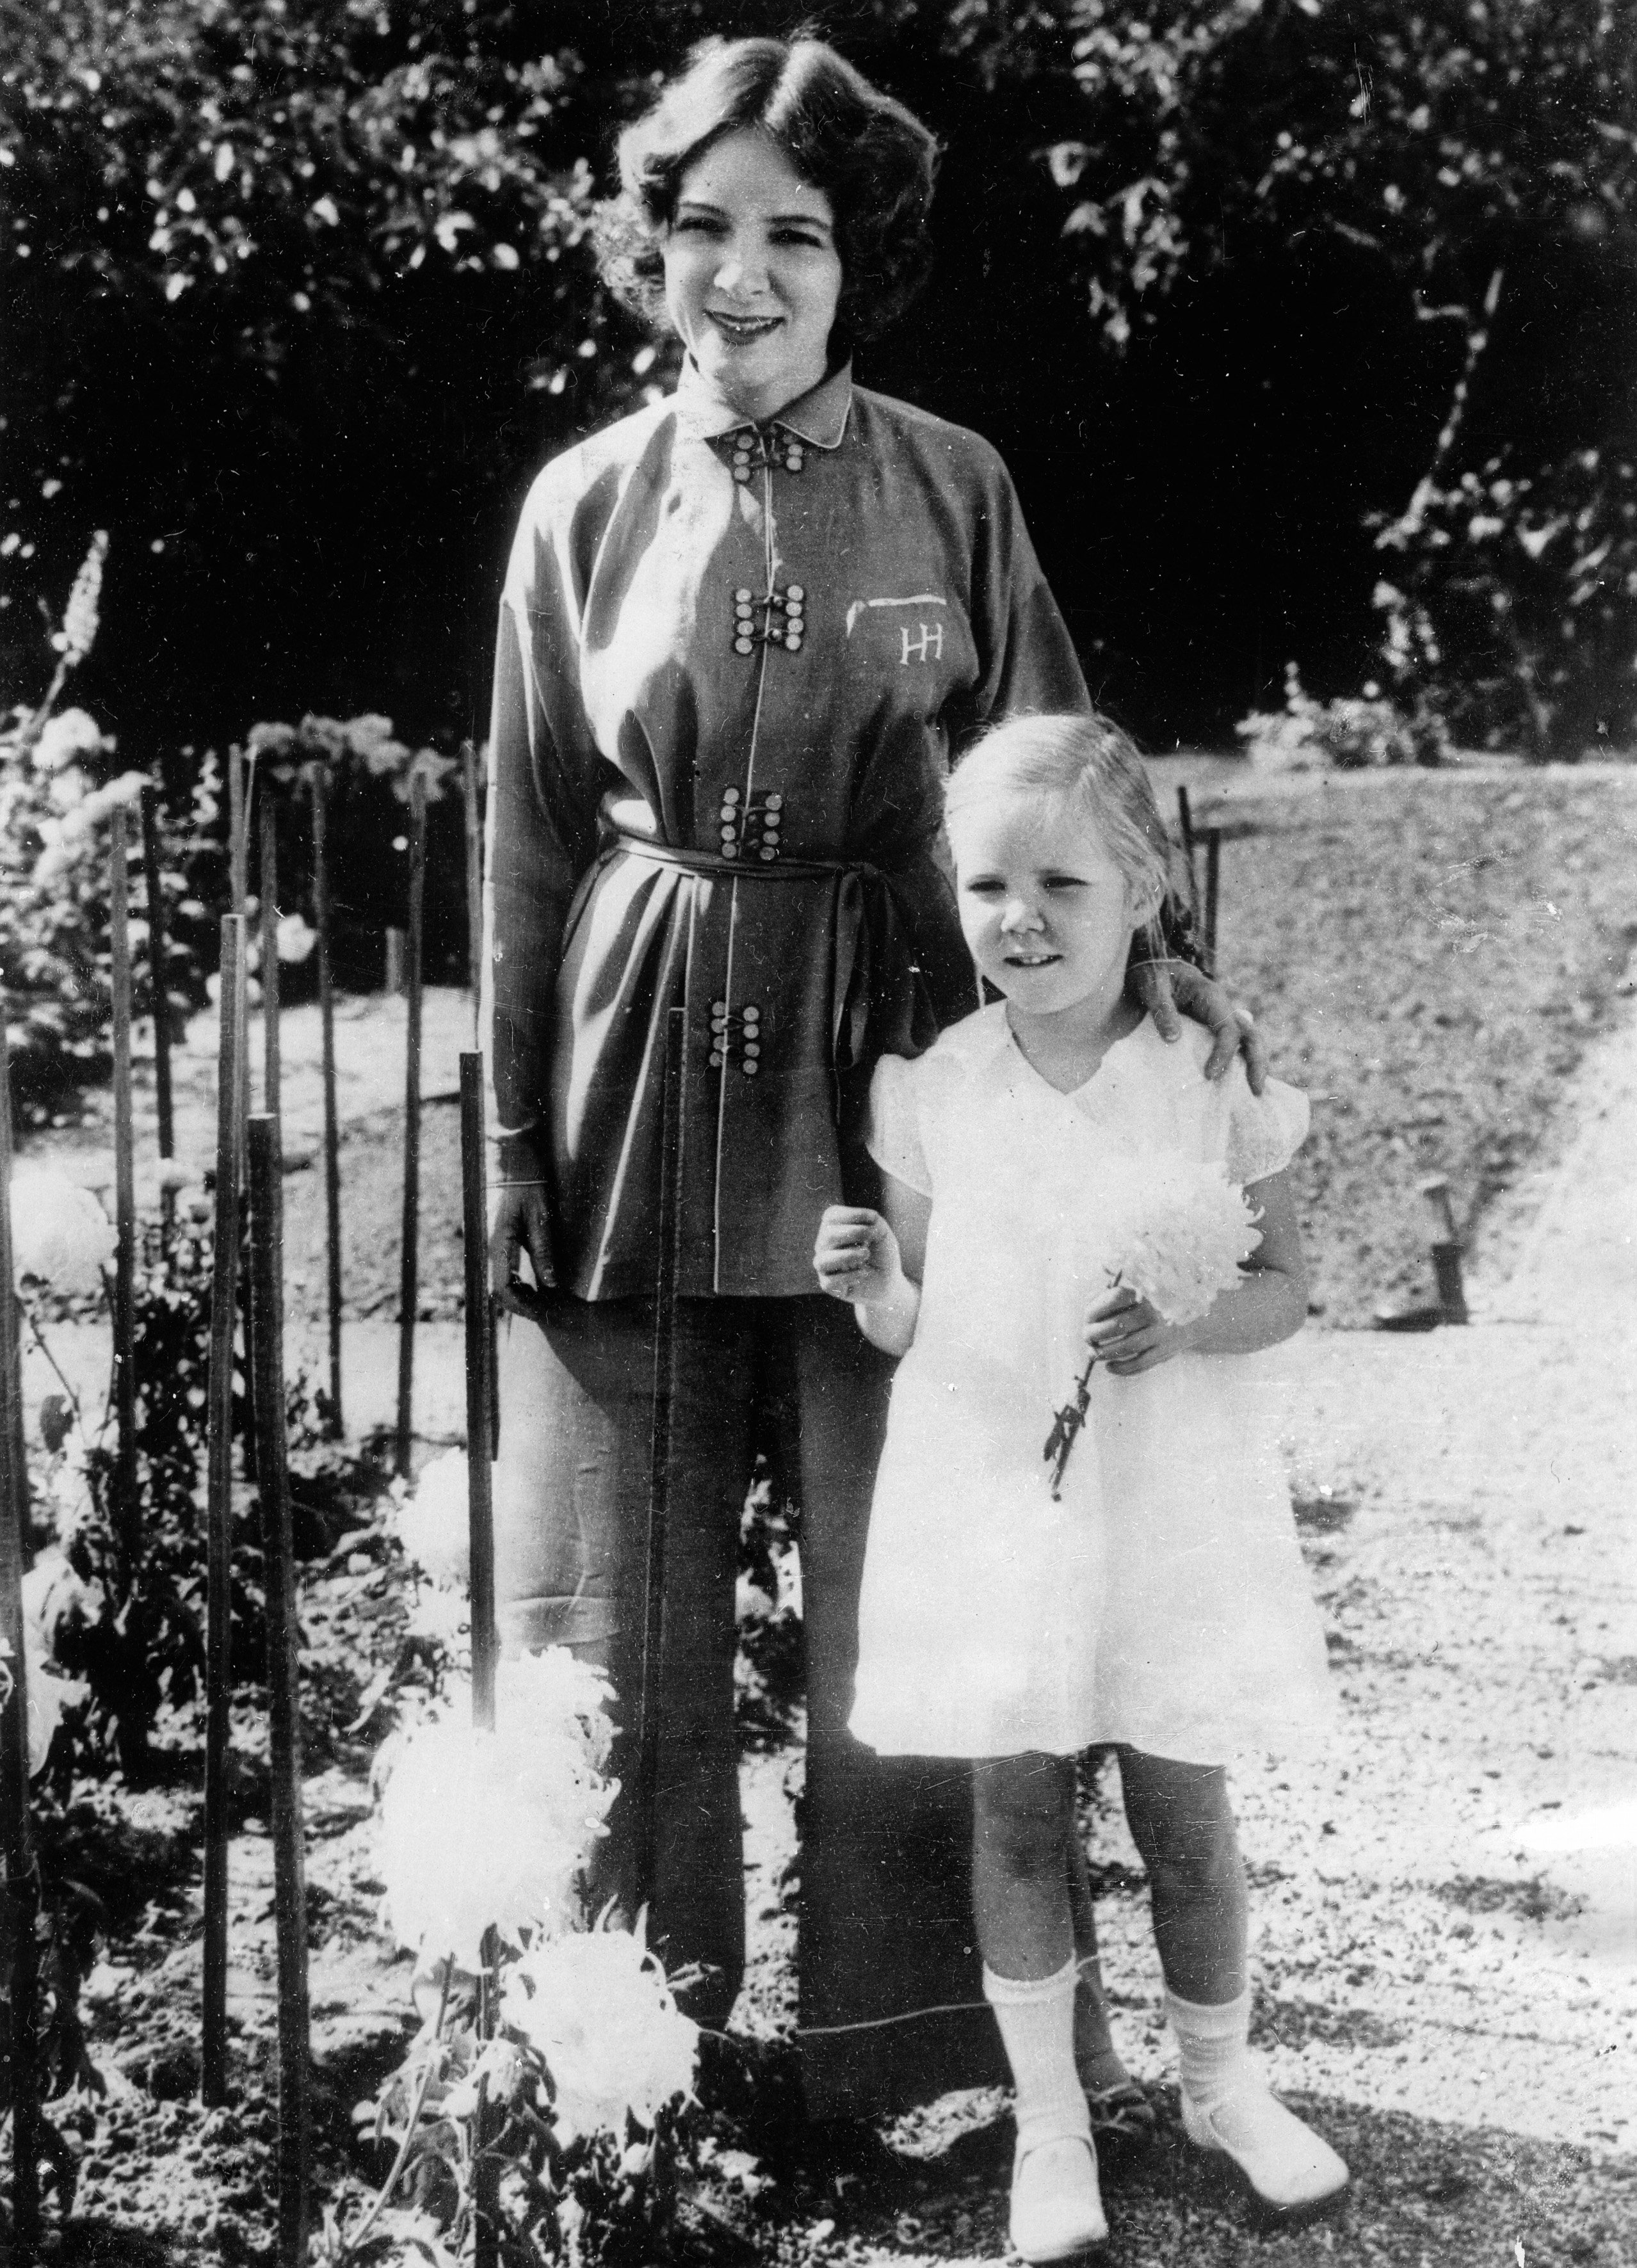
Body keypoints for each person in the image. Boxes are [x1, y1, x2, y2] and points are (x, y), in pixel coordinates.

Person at [482, 33, 1257, 2134]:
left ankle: (906, 2069)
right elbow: (532, 833)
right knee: (608, 1614)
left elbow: (1064, 791)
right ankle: (616, 2065)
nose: (741, 276)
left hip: (892, 1090)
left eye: (793, 237)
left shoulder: (951, 485)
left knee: (908, 1597)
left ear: (856, 263)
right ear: (652, 249)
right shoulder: (579, 507)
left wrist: (1157, 1029)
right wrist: (505, 1140)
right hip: (630, 1080)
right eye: (703, 228)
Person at [813, 712, 1348, 2256]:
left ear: (1141, 895)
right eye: (987, 887)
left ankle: (1220, 2081)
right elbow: (922, 1315)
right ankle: (1051, 2122)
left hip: (1170, 1489)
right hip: (998, 1490)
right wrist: (870, 1285)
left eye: (1061, 882)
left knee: (1184, 1796)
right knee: (1017, 1805)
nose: (1021, 919)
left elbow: (1288, 1286)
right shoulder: (939, 1088)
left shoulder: (1205, 1071)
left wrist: (1187, 1323)